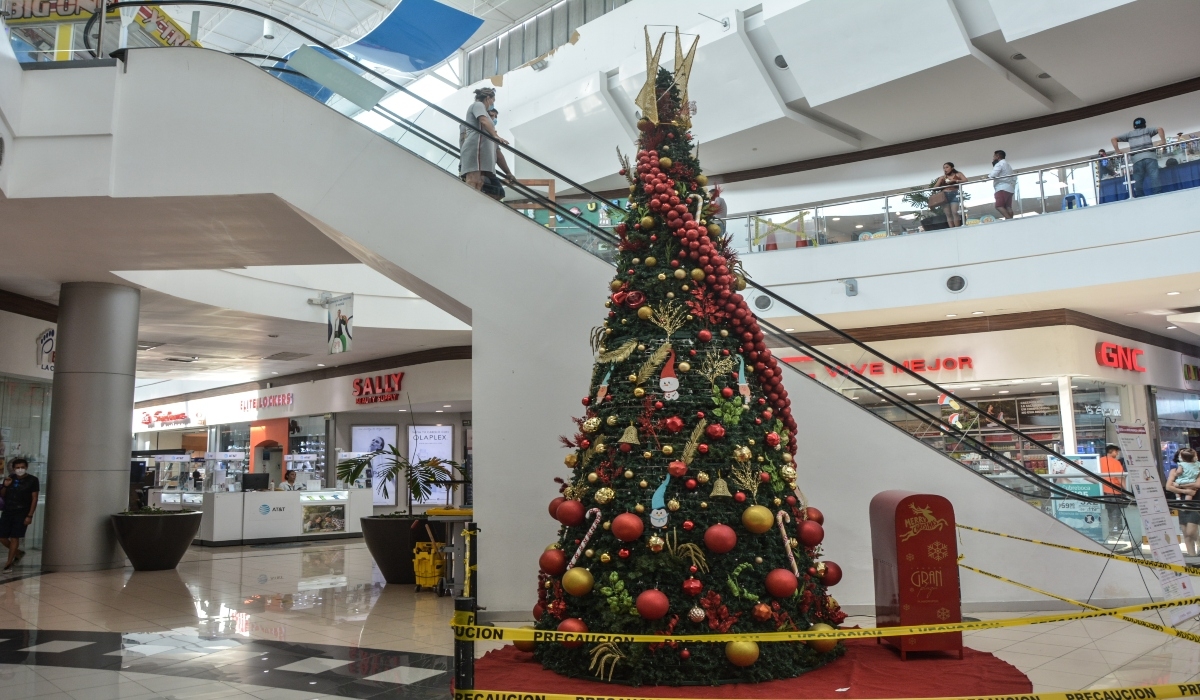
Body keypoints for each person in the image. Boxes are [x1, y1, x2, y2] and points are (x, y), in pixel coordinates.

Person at [459, 87, 508, 192]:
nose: (492, 104)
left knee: (480, 182)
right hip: (475, 147)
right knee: (473, 180)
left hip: (482, 151)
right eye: (492, 101)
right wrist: (496, 136)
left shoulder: (485, 111)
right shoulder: (478, 105)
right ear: (488, 98)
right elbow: (483, 120)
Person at [0, 458, 39, 570]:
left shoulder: (32, 480)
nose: (20, 469)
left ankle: (8, 562)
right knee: (2, 537)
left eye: (22, 467)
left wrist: (30, 515)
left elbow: (34, 498)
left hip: (22, 512)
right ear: (13, 468)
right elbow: (2, 494)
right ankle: (18, 553)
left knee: (15, 537)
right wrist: (6, 485)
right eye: (17, 467)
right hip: (8, 511)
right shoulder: (10, 478)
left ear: (26, 467)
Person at [1111, 117, 1165, 197]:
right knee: (1154, 177)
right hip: (1150, 156)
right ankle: (1158, 195)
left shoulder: (1129, 134)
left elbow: (1113, 139)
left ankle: (1140, 197)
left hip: (1137, 159)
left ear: (1134, 126)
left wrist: (1118, 151)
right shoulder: (1147, 130)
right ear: (1145, 124)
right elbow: (1160, 129)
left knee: (1138, 179)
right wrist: (1163, 141)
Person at [1166, 448, 1200, 557]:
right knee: (1185, 533)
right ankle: (1192, 556)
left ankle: (1198, 542)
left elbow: (1197, 485)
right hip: (1181, 502)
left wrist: (1179, 485)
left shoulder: (1198, 468)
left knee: (1191, 532)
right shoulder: (1174, 470)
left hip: (1195, 503)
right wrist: (1184, 490)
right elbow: (1168, 486)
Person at [481, 107, 515, 201]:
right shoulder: (476, 129)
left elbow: (498, 154)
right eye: (492, 115)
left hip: (489, 169)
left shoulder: (493, 134)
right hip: (477, 168)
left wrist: (508, 173)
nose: (494, 119)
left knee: (499, 192)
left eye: (496, 116)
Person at [1099, 444, 1126, 535]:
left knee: (1106, 512)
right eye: (1116, 451)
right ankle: (1117, 531)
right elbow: (1120, 477)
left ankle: (1108, 530)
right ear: (1111, 451)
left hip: (1102, 491)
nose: (1117, 453)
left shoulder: (1099, 461)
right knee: (1116, 512)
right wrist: (1126, 489)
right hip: (1115, 491)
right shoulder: (1115, 462)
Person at [934, 162, 967, 227]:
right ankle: (952, 229)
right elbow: (935, 187)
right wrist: (941, 180)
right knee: (948, 214)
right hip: (945, 195)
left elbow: (965, 180)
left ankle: (957, 228)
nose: (945, 169)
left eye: (947, 167)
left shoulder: (958, 174)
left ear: (952, 168)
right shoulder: (942, 177)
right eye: (944, 168)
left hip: (954, 193)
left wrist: (955, 181)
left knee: (955, 212)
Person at [989, 150, 1016, 219]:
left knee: (999, 206)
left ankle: (1009, 220)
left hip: (1002, 188)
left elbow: (992, 175)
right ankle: (1011, 221)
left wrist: (986, 177)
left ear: (997, 156)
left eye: (994, 156)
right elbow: (1013, 177)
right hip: (1010, 188)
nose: (993, 158)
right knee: (1008, 207)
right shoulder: (1008, 165)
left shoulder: (999, 164)